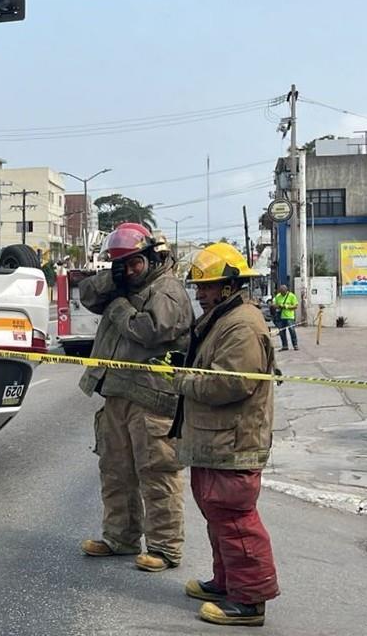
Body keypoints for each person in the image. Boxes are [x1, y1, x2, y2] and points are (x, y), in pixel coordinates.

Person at [170, 242, 279, 627]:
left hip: (233, 441)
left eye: (207, 287)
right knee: (218, 515)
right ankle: (227, 583)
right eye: (198, 288)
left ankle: (249, 601)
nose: (200, 295)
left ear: (230, 286)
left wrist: (182, 380)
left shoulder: (242, 325)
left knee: (234, 518)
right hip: (216, 439)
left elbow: (230, 384)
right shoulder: (223, 318)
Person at [77, 223, 194, 574]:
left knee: (156, 473)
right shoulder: (125, 284)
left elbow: (151, 330)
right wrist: (111, 280)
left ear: (151, 258)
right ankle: (120, 537)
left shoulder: (168, 290)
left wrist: (118, 308)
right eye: (122, 266)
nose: (129, 271)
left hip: (152, 399)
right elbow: (87, 295)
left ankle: (164, 547)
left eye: (133, 264)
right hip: (117, 393)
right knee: (115, 471)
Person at [271, 283, 299, 352]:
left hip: (289, 316)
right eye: (281, 292)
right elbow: (274, 305)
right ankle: (285, 346)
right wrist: (278, 306)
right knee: (282, 332)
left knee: (292, 330)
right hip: (281, 317)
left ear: (286, 291)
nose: (282, 294)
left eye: (283, 292)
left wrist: (287, 306)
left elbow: (295, 306)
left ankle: (295, 345)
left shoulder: (291, 296)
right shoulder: (278, 296)